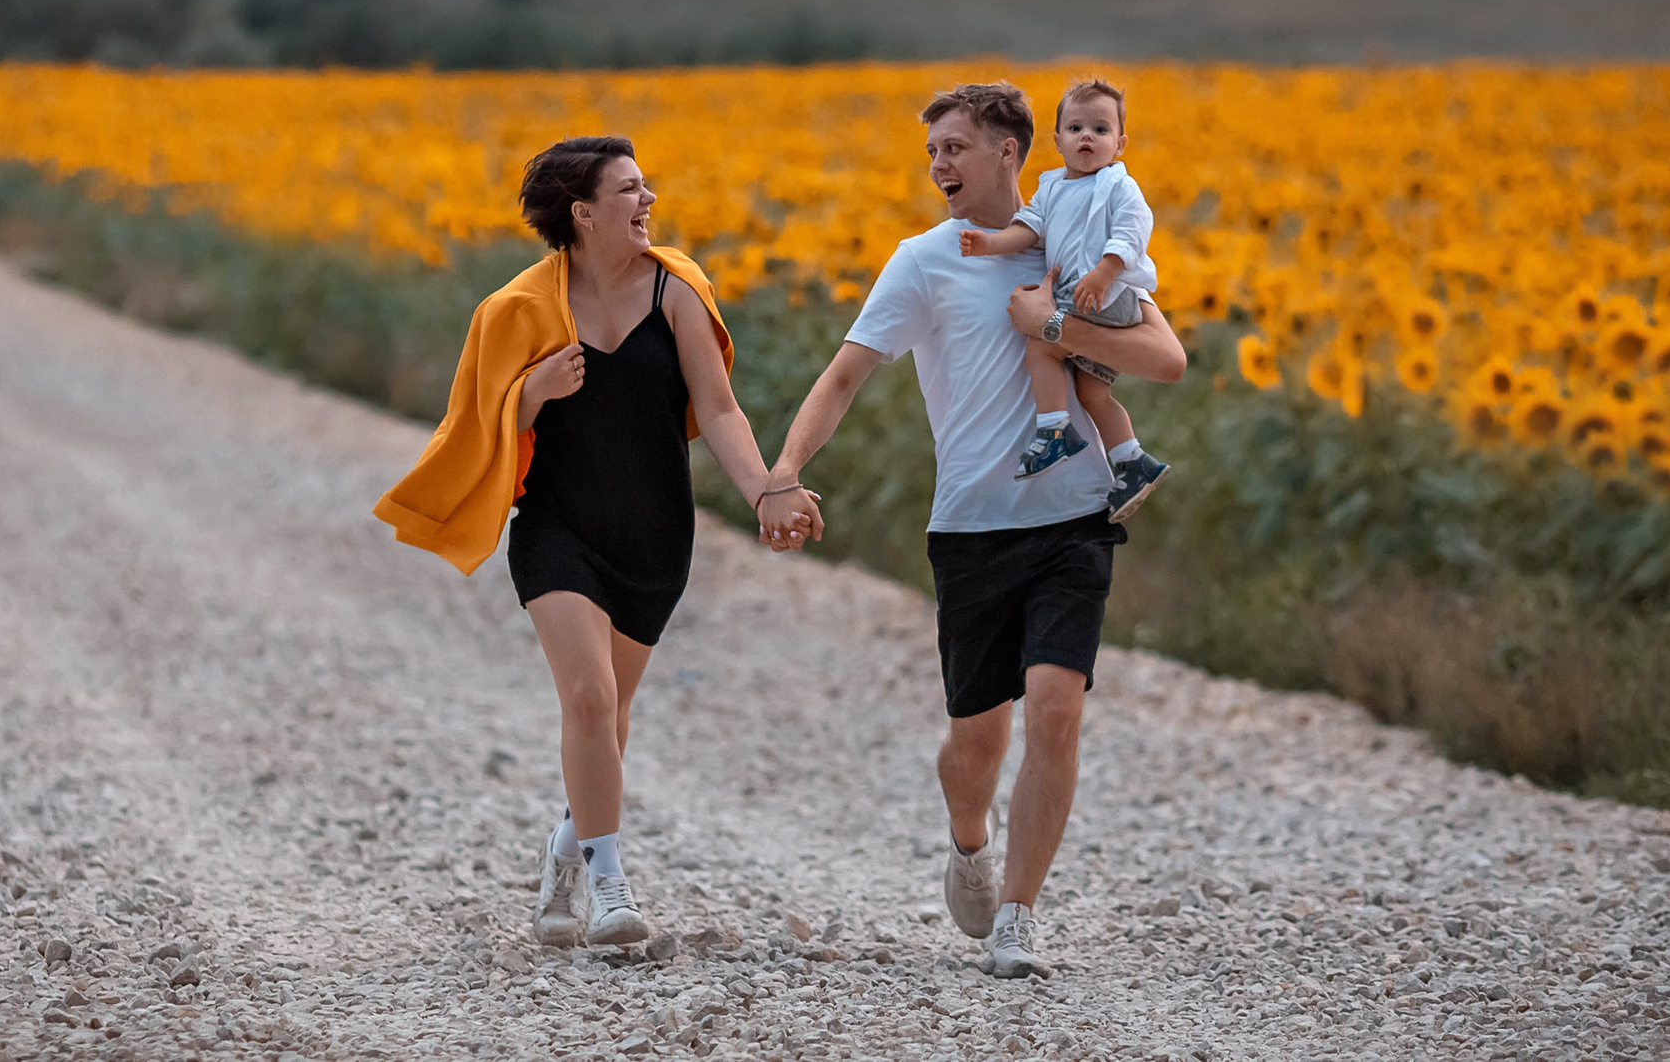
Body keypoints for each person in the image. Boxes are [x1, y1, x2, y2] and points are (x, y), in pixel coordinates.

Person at [759, 83, 1185, 979]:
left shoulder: (1078, 243)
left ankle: (1020, 917)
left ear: (1007, 151)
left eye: (954, 147)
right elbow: (843, 377)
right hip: (971, 530)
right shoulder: (926, 261)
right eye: (932, 153)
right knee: (977, 739)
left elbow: (1167, 359)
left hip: (1075, 515)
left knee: (1057, 711)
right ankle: (968, 841)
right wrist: (784, 471)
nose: (938, 166)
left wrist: (1056, 323)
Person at [374, 137, 818, 953]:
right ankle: (611, 884)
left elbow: (718, 411)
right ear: (581, 213)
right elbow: (473, 431)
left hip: (656, 533)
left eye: (646, 187)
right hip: (557, 529)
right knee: (587, 699)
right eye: (628, 191)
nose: (647, 202)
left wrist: (766, 487)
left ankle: (563, 855)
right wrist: (530, 393)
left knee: (609, 720)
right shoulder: (516, 311)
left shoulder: (676, 289)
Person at [958, 76, 1174, 515]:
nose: (1087, 138)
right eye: (1076, 129)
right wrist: (990, 244)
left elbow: (1134, 233)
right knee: (1093, 393)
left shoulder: (1118, 185)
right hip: (1090, 302)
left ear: (1121, 143)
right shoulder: (1053, 186)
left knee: (1042, 344)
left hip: (1104, 297)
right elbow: (1028, 228)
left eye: (1100, 129)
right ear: (1057, 141)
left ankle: (1054, 431)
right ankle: (1132, 460)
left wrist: (1104, 272)